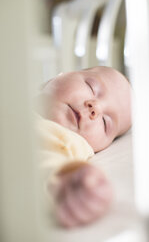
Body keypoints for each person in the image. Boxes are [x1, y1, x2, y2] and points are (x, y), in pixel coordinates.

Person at [37, 66, 132, 228]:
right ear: (61, 74)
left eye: (105, 123)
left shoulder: (70, 143)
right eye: (91, 87)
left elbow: (48, 166)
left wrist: (70, 184)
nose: (95, 108)